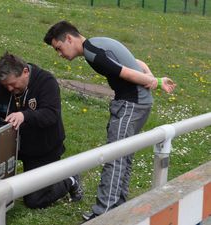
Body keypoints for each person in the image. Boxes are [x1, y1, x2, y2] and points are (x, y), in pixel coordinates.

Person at [43, 21, 176, 221]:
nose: (59, 54)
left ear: (69, 38)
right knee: (123, 156)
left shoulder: (92, 51)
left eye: (58, 48)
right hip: (138, 104)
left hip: (131, 105)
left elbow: (124, 72)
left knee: (114, 158)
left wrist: (154, 81)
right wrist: (150, 76)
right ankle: (118, 208)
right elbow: (136, 62)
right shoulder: (98, 43)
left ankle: (104, 213)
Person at [0, 51, 83, 209]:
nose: (10, 89)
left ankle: (70, 179)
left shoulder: (46, 81)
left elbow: (51, 114)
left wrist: (25, 116)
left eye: (13, 84)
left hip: (43, 148)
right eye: (6, 86)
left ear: (25, 72)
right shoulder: (0, 86)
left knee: (34, 200)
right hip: (13, 145)